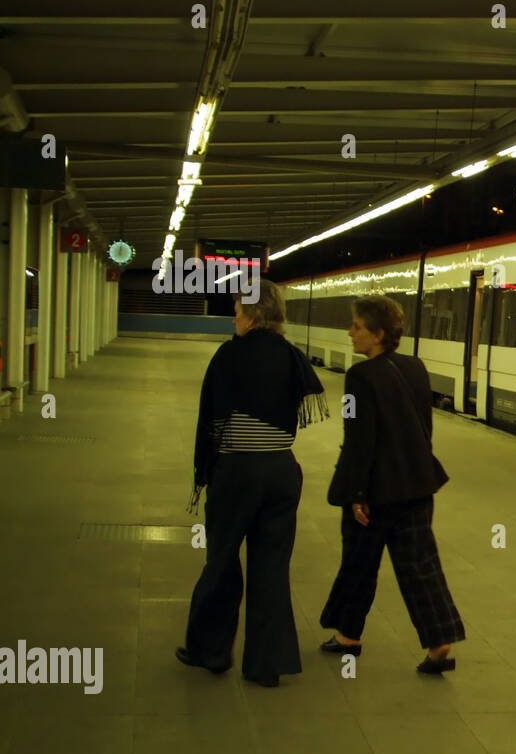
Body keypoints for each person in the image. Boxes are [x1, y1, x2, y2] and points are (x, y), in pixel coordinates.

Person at [178, 280, 328, 687]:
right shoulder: (292, 357)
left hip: (238, 473)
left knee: (222, 560)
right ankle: (267, 664)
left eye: (238, 312)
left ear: (254, 316)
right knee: (272, 567)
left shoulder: (230, 356)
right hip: (282, 472)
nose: (234, 319)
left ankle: (210, 651)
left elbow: (212, 420)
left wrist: (207, 470)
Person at [319, 294, 466, 674]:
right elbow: (423, 427)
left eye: (357, 327)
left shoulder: (359, 377)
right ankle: (439, 642)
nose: (350, 333)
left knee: (358, 563)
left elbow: (358, 437)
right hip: (417, 486)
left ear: (378, 333)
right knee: (420, 566)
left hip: (375, 494)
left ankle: (348, 637)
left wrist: (356, 494)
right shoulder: (415, 368)